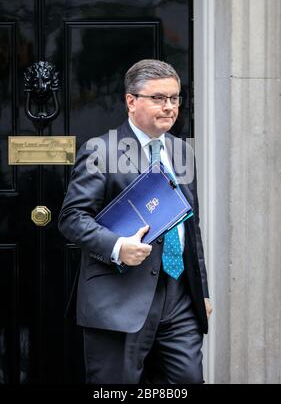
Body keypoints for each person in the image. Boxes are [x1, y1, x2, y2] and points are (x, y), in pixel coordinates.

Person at [58, 59, 212, 384]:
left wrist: (204, 292)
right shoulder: (101, 150)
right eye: (158, 98)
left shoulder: (182, 153)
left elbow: (190, 227)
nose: (170, 107)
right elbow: (72, 218)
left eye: (175, 98)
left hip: (180, 297)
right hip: (119, 298)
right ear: (131, 101)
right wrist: (117, 247)